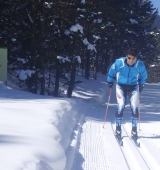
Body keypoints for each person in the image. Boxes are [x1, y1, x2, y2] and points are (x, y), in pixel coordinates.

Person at [107, 48, 147, 139]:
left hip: (134, 86)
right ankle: (118, 129)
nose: (131, 60)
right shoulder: (119, 63)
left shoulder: (140, 65)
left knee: (134, 105)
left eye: (134, 58)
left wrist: (141, 84)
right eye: (129, 57)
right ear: (126, 56)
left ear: (136, 58)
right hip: (121, 86)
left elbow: (144, 75)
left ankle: (134, 130)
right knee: (121, 105)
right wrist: (109, 81)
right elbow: (111, 72)